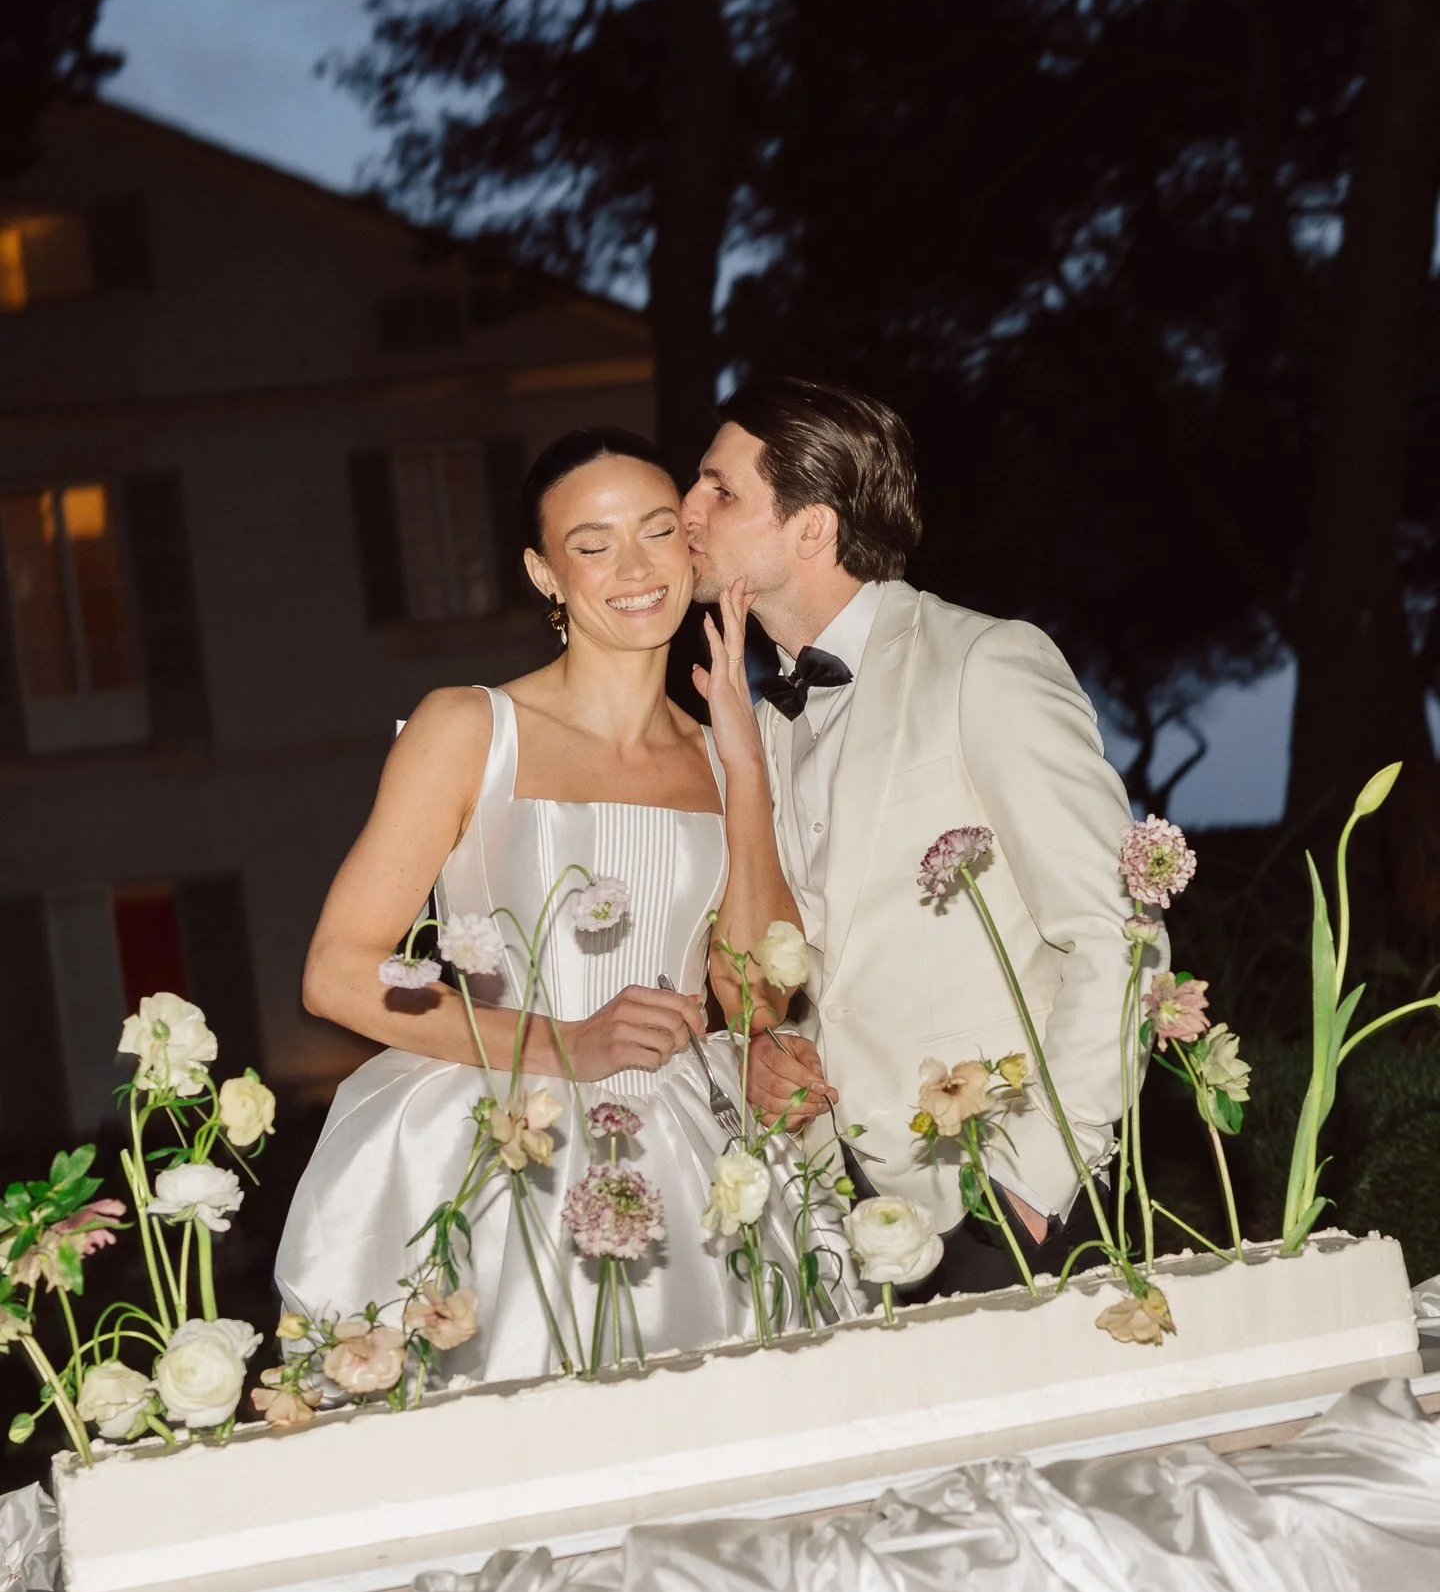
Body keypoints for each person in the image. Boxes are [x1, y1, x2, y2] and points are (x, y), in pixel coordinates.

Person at [275, 427, 857, 1379]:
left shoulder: (725, 752)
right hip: (502, 1142)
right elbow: (337, 974)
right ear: (546, 575)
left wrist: (744, 770)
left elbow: (754, 1000)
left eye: (659, 531)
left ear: (692, 548)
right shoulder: (469, 726)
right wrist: (564, 1043)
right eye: (593, 545)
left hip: (681, 1141)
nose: (634, 567)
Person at [684, 378, 1164, 1296]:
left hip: (1002, 1203)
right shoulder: (756, 725)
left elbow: (1120, 933)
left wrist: (1034, 1181)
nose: (687, 509)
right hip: (833, 1216)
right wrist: (770, 1050)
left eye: (721, 489)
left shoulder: (984, 662)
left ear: (813, 529)